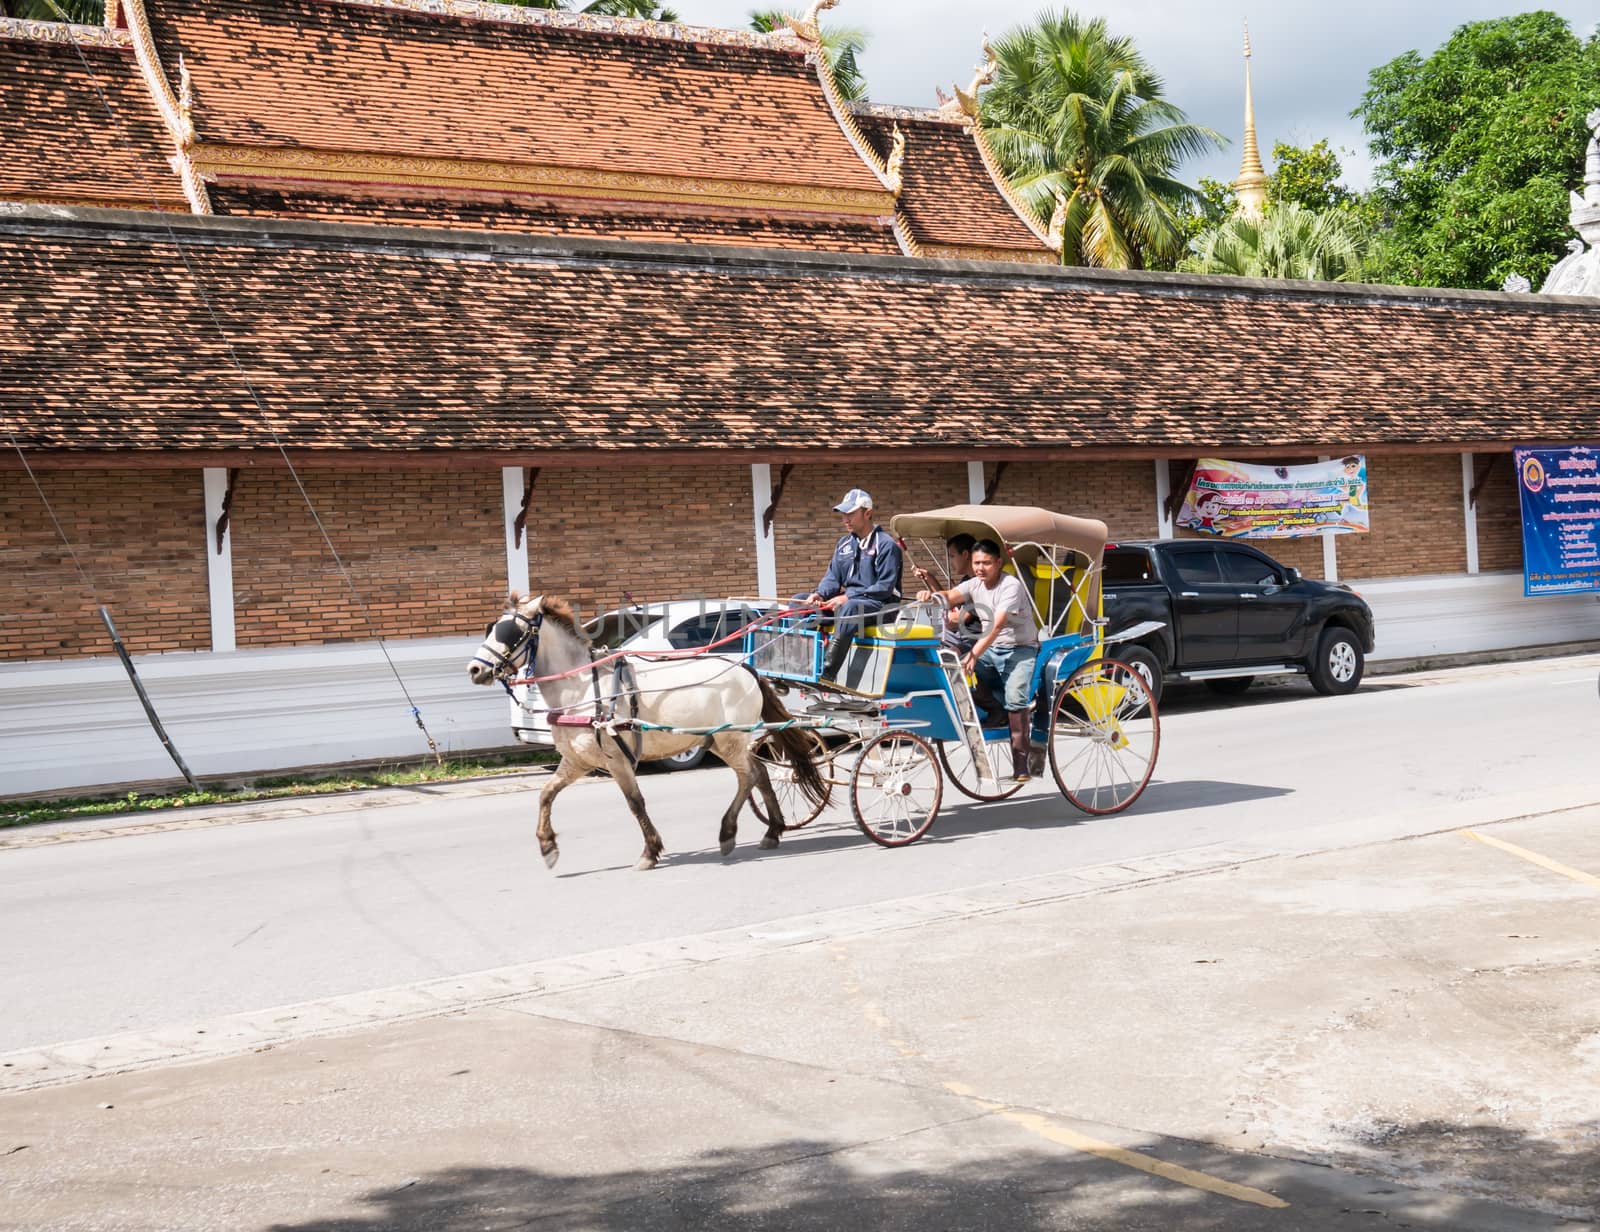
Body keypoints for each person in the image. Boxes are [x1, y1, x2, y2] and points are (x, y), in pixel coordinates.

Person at [916, 538, 1038, 781]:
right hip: (991, 649)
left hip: (1020, 649)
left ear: (999, 562)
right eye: (977, 563)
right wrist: (931, 596)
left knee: (1016, 698)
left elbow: (995, 625)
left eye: (987, 563)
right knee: (954, 668)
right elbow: (950, 595)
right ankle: (994, 711)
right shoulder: (974, 584)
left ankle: (1022, 761)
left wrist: (973, 654)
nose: (981, 568)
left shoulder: (1010, 586)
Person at [803, 488, 903, 687]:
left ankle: (826, 674)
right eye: (843, 514)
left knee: (850, 607)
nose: (845, 519)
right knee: (801, 601)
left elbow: (884, 587)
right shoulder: (843, 544)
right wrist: (819, 594)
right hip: (850, 603)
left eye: (850, 514)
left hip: (881, 605)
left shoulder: (887, 545)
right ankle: (798, 664)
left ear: (868, 513)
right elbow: (832, 577)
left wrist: (848, 597)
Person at [910, 533, 981, 656]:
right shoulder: (966, 580)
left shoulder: (978, 584)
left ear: (965, 555)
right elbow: (948, 600)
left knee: (934, 646)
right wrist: (929, 578)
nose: (951, 561)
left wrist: (936, 607)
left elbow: (956, 619)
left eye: (952, 556)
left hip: (973, 639)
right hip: (960, 635)